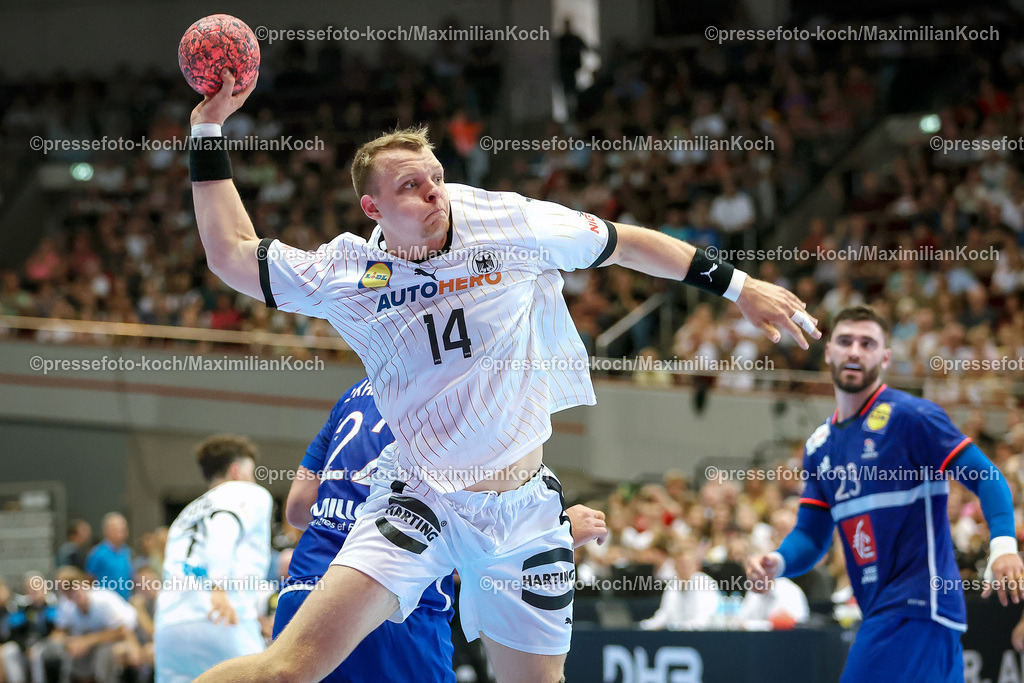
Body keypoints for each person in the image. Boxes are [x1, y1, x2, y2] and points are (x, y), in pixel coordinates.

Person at [189, 72, 819, 683]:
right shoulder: (349, 275)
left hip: (524, 514)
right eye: (411, 185)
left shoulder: (510, 223)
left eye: (437, 176)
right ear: (372, 206)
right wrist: (209, 129)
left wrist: (740, 288)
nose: (434, 192)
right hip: (420, 503)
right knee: (288, 670)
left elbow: (627, 242)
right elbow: (232, 254)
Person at [747, 305, 1024, 681]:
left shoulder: (911, 417)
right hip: (899, 613)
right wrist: (777, 562)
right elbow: (811, 535)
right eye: (845, 341)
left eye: (867, 343)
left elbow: (987, 476)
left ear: (885, 357)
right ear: (828, 353)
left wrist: (1004, 546)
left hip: (914, 606)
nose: (855, 351)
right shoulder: (820, 446)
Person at [277, 376, 608, 681]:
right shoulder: (462, 396)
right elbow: (476, 521)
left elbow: (298, 506)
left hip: (306, 593)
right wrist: (549, 532)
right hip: (395, 604)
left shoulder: (353, 395)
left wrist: (350, 518)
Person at [154, 435, 273, 682]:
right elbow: (223, 529)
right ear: (236, 470)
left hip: (170, 623)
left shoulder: (186, 513)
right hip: (219, 614)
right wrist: (217, 586)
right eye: (251, 472)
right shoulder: (246, 492)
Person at [38, 566, 138, 682]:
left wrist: (87, 640)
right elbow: (60, 632)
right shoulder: (67, 605)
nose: (71, 592)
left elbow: (122, 630)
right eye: (65, 589)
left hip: (130, 635)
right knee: (70, 654)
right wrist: (70, 643)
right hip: (94, 642)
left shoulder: (103, 599)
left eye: (71, 586)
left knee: (104, 655)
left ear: (84, 584)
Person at [85, 513, 133, 600]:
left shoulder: (127, 551)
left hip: (125, 601)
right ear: (107, 531)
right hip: (105, 602)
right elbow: (89, 580)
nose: (122, 533)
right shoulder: (97, 554)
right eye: (117, 530)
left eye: (123, 529)